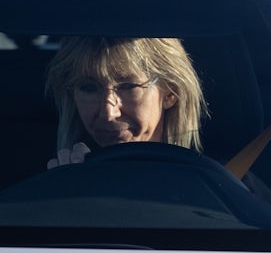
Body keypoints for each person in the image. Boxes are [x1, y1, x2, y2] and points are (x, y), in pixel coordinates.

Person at [45, 36, 206, 168]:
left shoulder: (213, 185)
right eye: (89, 88)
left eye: (128, 87)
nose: (108, 113)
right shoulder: (51, 181)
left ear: (171, 92)